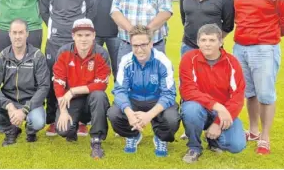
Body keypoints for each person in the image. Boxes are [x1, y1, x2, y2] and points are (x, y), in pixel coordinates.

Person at [232, 0, 284, 155]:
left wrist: (269, 37)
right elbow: (237, 17)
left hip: (265, 48)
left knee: (266, 94)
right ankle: (254, 130)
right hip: (240, 47)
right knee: (249, 93)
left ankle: (265, 138)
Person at [39, 0, 97, 136]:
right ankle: (53, 119)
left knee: (78, 78)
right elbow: (43, 10)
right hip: (55, 40)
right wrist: (56, 26)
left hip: (76, 42)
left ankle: (81, 120)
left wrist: (78, 32)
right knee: (53, 78)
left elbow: (92, 10)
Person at [108, 25, 179, 157]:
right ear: (131, 44)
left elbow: (169, 94)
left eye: (143, 45)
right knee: (113, 114)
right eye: (135, 46)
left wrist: (149, 115)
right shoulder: (126, 61)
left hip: (157, 100)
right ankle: (133, 135)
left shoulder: (163, 61)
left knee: (172, 119)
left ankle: (160, 137)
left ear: (151, 43)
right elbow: (119, 90)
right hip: (135, 100)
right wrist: (129, 113)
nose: (139, 50)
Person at [180, 24, 246, 163]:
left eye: (212, 40)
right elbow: (188, 90)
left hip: (221, 112)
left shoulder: (232, 63)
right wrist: (217, 106)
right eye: (203, 40)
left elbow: (238, 97)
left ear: (221, 42)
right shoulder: (188, 58)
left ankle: (213, 140)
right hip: (199, 107)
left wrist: (217, 122)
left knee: (237, 146)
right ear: (198, 42)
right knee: (191, 109)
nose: (207, 44)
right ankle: (194, 147)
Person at [0, 19, 50, 146]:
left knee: (38, 121)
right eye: (15, 33)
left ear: (27, 34)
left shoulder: (37, 56)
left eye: (21, 32)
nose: (18, 36)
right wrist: (8, 105)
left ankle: (30, 130)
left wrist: (25, 110)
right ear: (9, 34)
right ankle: (10, 130)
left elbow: (44, 87)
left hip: (30, 101)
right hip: (8, 101)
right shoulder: (3, 56)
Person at [52, 18, 111, 159]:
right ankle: (73, 128)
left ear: (94, 35)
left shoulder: (101, 53)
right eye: (79, 35)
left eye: (87, 35)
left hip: (91, 98)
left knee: (99, 95)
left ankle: (96, 140)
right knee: (63, 130)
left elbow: (101, 84)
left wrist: (73, 91)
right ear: (73, 36)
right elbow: (58, 83)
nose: (83, 39)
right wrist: (64, 110)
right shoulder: (64, 52)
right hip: (72, 101)